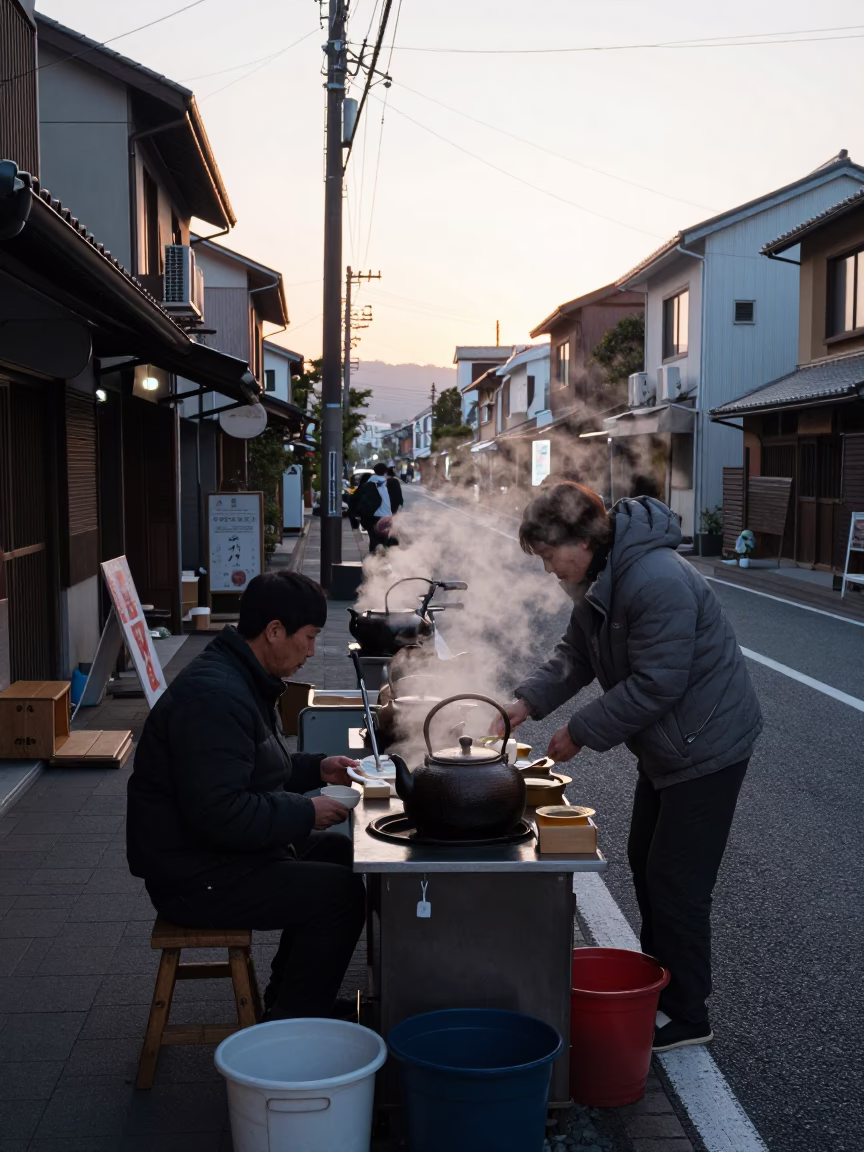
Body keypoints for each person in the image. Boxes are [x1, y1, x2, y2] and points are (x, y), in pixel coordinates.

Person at [496, 483, 762, 1052]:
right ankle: (660, 987)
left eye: (549, 556)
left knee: (677, 881)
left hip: (707, 743)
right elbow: (575, 656)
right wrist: (523, 704)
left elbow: (658, 683)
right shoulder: (599, 580)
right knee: (647, 861)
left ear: (584, 539)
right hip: (672, 746)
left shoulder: (655, 579)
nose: (548, 570)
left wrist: (580, 732)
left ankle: (688, 1013)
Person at [127, 571, 366, 1021]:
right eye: (309, 638)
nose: (312, 652)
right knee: (341, 894)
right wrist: (304, 812)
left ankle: (287, 997)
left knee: (338, 855)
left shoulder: (243, 675)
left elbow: (254, 767)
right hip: (195, 876)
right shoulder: (215, 697)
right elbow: (221, 812)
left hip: (215, 854)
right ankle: (294, 1022)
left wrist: (317, 767)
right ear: (274, 631)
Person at [355, 461, 393, 553]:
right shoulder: (385, 483)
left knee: (373, 539)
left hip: (373, 516)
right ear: (384, 472)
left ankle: (373, 560)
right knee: (383, 540)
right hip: (385, 516)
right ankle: (381, 560)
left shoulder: (369, 483)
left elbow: (361, 500)